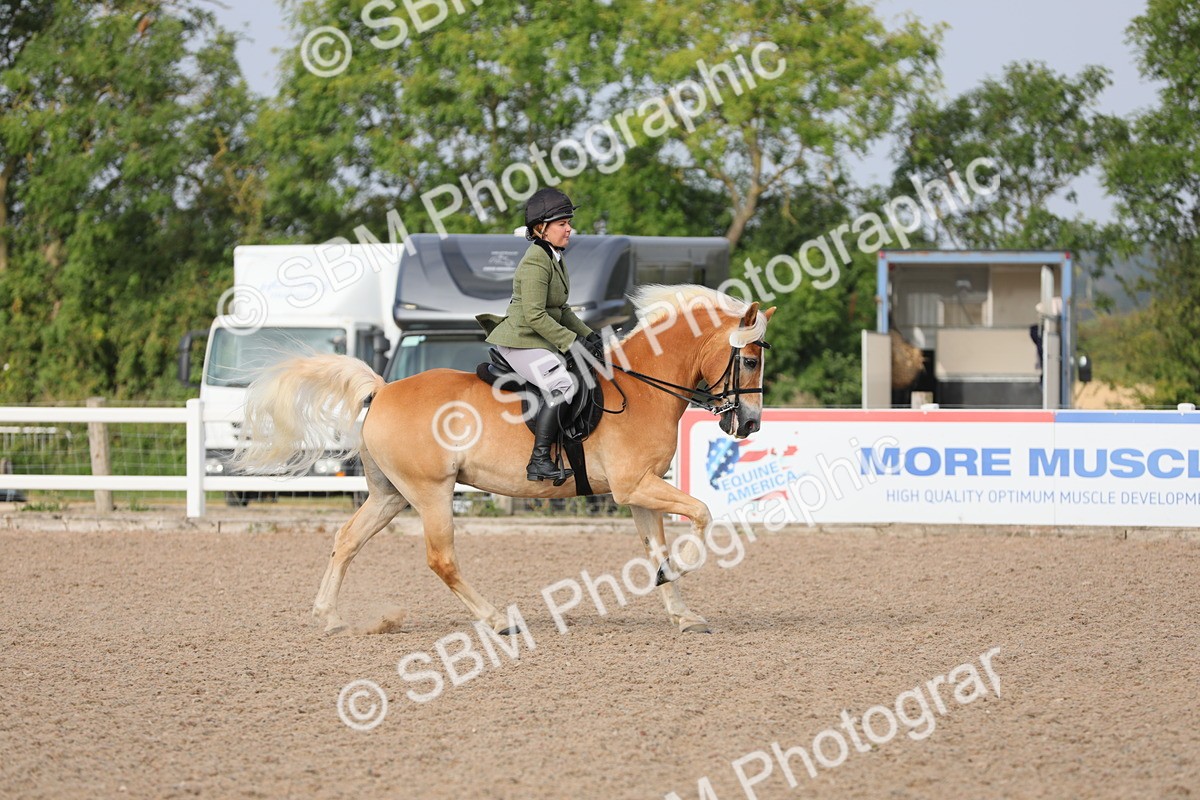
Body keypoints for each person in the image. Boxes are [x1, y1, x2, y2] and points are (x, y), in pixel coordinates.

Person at [476, 187, 604, 483]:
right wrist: (572, 342)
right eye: (562, 224)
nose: (569, 229)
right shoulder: (536, 261)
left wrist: (589, 336)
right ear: (540, 229)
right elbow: (535, 315)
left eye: (569, 223)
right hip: (521, 342)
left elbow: (561, 309)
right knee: (563, 383)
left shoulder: (554, 257)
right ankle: (539, 460)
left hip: (536, 339)